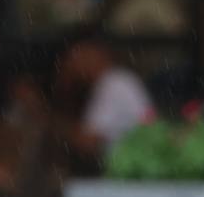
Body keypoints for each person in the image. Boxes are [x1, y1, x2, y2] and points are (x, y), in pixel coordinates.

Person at [53, 39, 153, 173]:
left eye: (76, 58)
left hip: (133, 174)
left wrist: (42, 115)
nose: (73, 65)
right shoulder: (114, 80)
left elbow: (87, 141)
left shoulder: (114, 83)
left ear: (95, 55)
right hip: (130, 172)